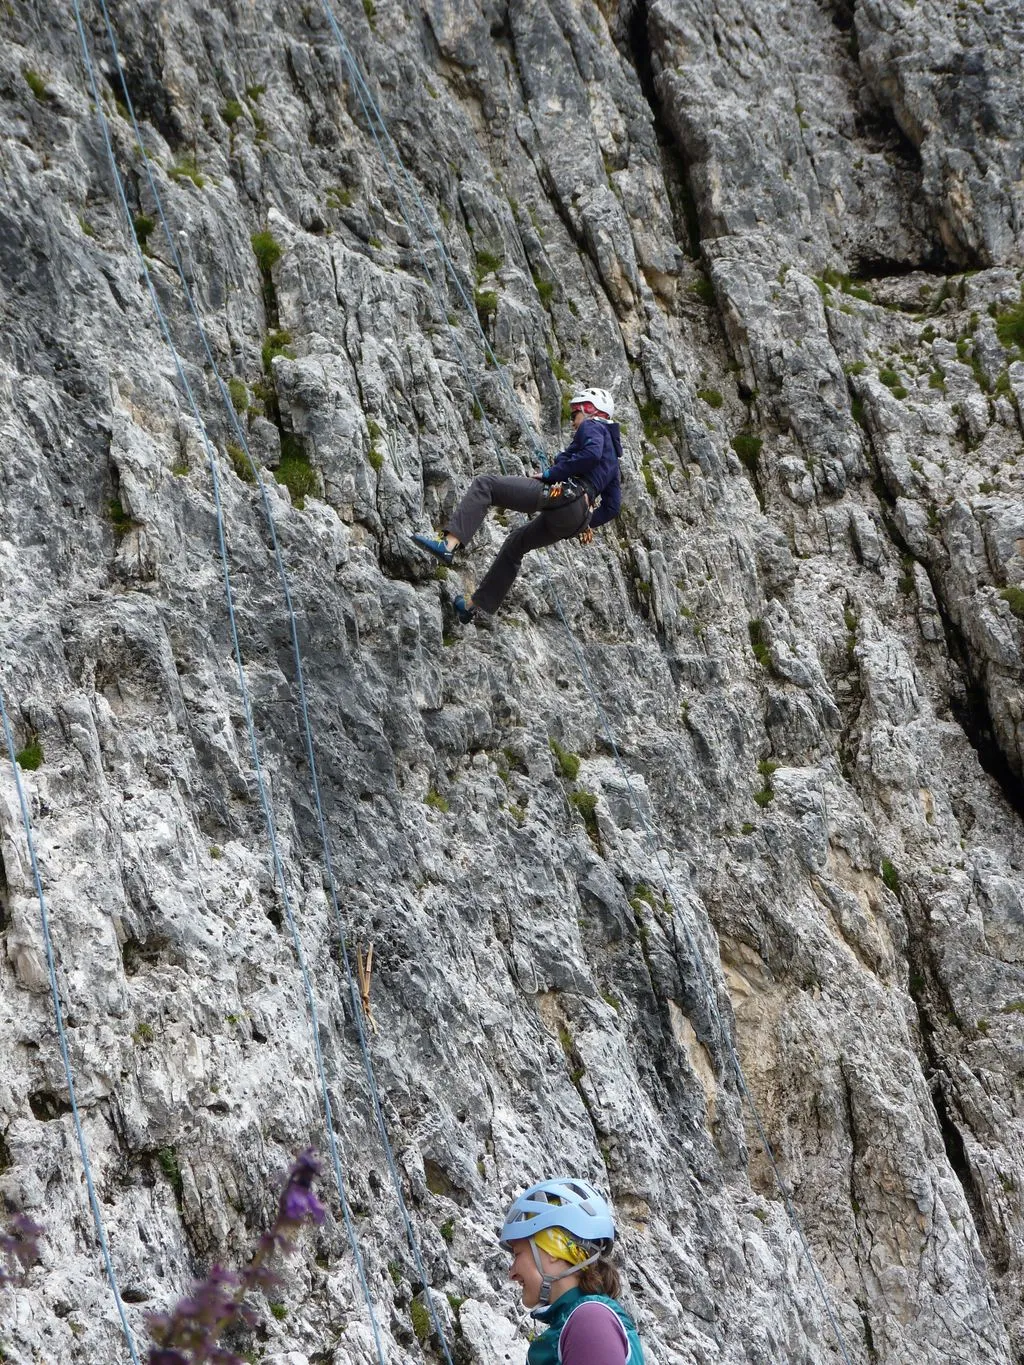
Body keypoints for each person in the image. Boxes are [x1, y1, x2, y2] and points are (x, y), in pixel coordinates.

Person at [411, 387, 622, 623]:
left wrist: (551, 474)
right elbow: (613, 506)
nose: (573, 423)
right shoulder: (614, 461)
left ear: (590, 409)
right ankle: (472, 606)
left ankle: (448, 545)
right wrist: (586, 521)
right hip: (576, 520)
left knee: (486, 485)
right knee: (515, 544)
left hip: (565, 495)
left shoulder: (592, 425)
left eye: (575, 415)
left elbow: (590, 455)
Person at [499, 1176, 645, 1365]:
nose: (512, 1273)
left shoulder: (591, 1320)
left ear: (552, 1251)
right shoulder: (577, 1323)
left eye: (518, 1254)